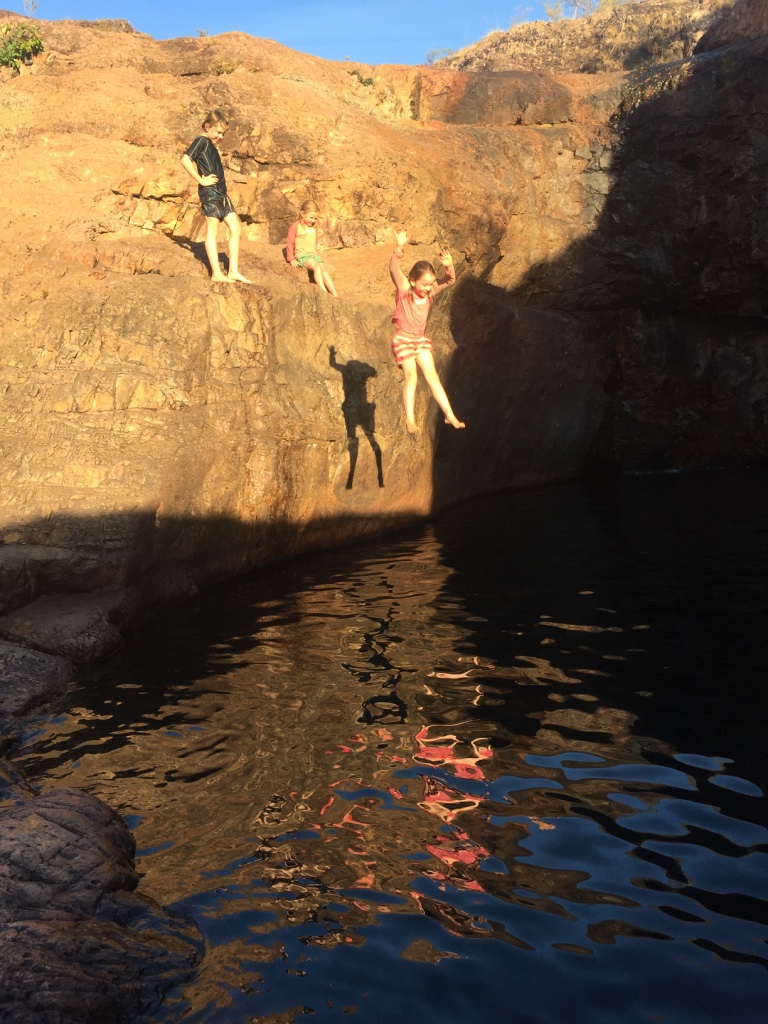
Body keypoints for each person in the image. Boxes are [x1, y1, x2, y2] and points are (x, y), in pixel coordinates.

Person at [389, 229, 465, 434]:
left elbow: (449, 281)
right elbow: (394, 268)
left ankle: (449, 415)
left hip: (420, 341)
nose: (428, 288)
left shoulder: (430, 291)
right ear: (413, 281)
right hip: (403, 339)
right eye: (424, 284)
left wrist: (448, 265)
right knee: (412, 377)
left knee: (433, 378)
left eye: (430, 284)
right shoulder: (405, 290)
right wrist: (399, 247)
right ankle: (410, 419)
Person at [180, 110, 251, 284]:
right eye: (218, 132)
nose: (220, 136)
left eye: (223, 133)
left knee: (235, 228)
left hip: (221, 193)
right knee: (213, 229)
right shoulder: (201, 141)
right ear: (207, 126)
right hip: (210, 192)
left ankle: (233, 271)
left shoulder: (210, 145)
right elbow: (185, 159)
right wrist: (200, 180)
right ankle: (216, 273)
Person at [285, 200, 338, 296]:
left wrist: (315, 252)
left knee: (323, 269)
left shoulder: (313, 227)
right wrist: (291, 258)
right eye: (311, 218)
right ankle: (324, 292)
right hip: (303, 256)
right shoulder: (296, 226)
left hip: (313, 255)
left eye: (315, 218)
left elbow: (314, 240)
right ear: (302, 213)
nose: (313, 221)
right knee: (317, 267)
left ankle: (334, 293)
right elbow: (289, 242)